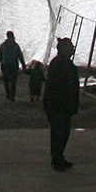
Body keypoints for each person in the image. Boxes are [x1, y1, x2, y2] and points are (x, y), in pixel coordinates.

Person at [42, 36, 79, 171]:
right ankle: (56, 159)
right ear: (63, 48)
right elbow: (57, 87)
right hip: (58, 105)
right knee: (59, 133)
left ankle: (59, 156)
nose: (72, 48)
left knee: (63, 133)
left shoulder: (63, 63)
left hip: (63, 105)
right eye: (69, 46)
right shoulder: (59, 64)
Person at [0, 30, 27, 101]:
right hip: (14, 65)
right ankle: (12, 96)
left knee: (6, 81)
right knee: (13, 81)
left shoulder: (3, 45)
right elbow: (20, 56)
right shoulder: (16, 46)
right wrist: (24, 66)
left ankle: (8, 94)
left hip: (5, 65)